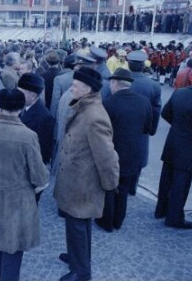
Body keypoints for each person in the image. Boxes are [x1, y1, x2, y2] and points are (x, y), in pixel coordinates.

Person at [0, 89, 49, 281]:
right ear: (21, 108)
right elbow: (39, 175)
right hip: (19, 199)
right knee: (13, 246)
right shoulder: (28, 136)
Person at [54, 67, 119, 281]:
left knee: (77, 225)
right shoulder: (85, 107)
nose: (71, 87)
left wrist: (110, 184)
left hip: (83, 183)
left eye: (75, 85)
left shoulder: (94, 116)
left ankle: (81, 272)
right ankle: (77, 257)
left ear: (88, 89)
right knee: (78, 225)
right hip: (76, 181)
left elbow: (107, 156)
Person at [155, 67, 192, 229]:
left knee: (166, 180)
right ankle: (174, 218)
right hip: (190, 148)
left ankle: (160, 210)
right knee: (181, 184)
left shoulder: (180, 92)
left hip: (173, 142)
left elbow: (165, 113)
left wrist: (180, 128)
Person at [95, 68, 153, 232]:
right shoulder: (144, 102)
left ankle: (106, 221)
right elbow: (148, 128)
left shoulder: (107, 103)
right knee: (125, 188)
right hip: (133, 154)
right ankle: (118, 221)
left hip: (112, 153)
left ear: (114, 83)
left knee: (108, 187)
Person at [127, 50, 162, 195]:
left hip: (120, 126)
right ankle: (132, 187)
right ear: (144, 66)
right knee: (137, 158)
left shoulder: (119, 80)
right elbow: (156, 110)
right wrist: (152, 129)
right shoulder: (153, 85)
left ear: (128, 65)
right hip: (142, 127)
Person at [18, 73, 55, 167]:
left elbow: (44, 153)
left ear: (33, 96)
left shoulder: (45, 117)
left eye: (21, 93)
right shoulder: (21, 107)